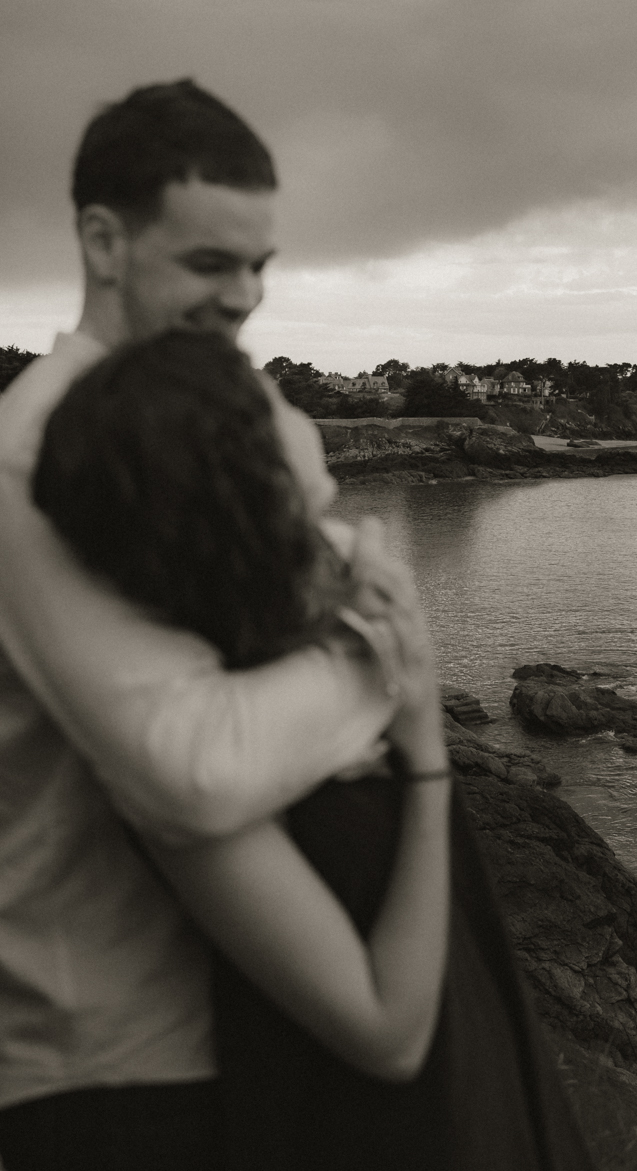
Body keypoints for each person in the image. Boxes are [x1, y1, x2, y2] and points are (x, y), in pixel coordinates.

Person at [31, 329, 595, 1171]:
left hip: (479, 1091)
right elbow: (388, 1031)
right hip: (390, 1129)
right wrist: (427, 763)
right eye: (276, 401)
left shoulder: (298, 663)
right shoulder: (209, 756)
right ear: (242, 471)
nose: (304, 415)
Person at [0, 82, 411, 1170]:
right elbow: (191, 768)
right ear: (102, 240)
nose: (243, 300)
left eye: (259, 267)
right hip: (112, 1059)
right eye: (208, 264)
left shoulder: (243, 406)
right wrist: (396, 660)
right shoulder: (32, 453)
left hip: (257, 1015)